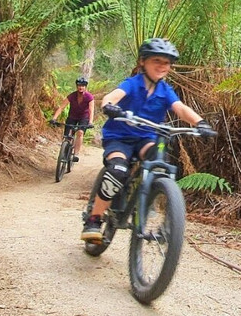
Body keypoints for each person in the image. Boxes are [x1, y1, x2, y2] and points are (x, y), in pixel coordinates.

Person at [81, 38, 215, 242]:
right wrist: (109, 106)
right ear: (143, 62)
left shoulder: (165, 90)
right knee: (117, 170)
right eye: (157, 60)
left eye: (167, 62)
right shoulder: (132, 84)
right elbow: (112, 96)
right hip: (120, 138)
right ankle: (94, 218)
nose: (162, 66)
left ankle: (152, 203)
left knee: (157, 162)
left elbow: (179, 108)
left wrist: (200, 123)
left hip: (146, 138)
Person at [55, 77, 95, 164]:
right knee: (67, 136)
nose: (81, 87)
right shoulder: (72, 96)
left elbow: (91, 110)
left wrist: (90, 122)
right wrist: (54, 118)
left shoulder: (89, 97)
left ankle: (76, 154)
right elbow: (62, 107)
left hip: (84, 117)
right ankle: (65, 151)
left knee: (80, 133)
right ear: (76, 86)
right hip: (72, 117)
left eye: (83, 85)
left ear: (85, 87)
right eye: (79, 85)